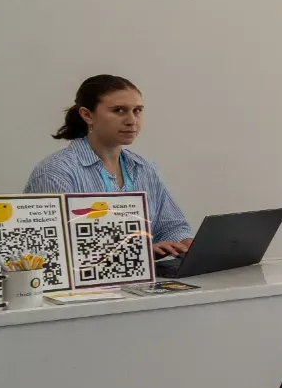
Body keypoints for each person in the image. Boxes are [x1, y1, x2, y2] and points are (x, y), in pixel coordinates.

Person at [25, 75, 193, 259]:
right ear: (87, 115)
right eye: (119, 110)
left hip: (142, 282)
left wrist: (183, 242)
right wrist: (138, 252)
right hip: (84, 286)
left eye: (137, 110)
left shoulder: (146, 168)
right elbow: (50, 250)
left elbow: (172, 227)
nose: (132, 120)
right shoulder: (55, 173)